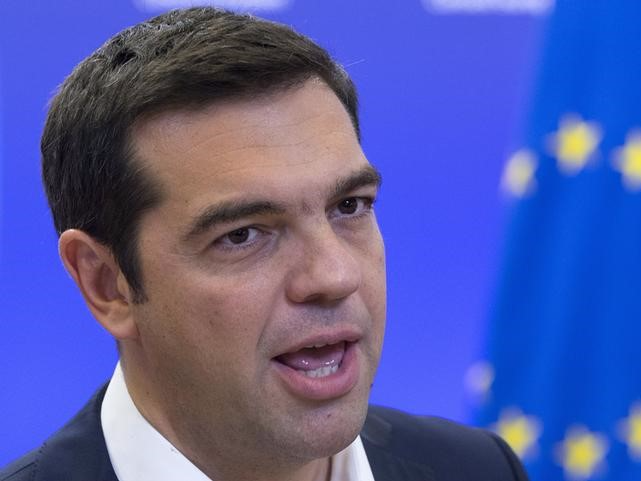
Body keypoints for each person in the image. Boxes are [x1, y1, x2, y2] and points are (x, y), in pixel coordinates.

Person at [0, 7, 528, 481]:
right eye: (242, 235)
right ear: (107, 283)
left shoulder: (478, 468)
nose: (334, 276)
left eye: (349, 206)